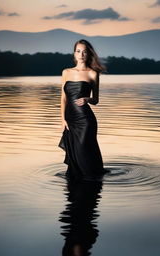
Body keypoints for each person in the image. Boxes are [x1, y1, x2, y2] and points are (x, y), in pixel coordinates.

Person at [58, 39, 107, 181]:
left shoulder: (93, 74)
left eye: (84, 51)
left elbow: (96, 100)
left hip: (85, 121)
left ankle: (92, 180)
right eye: (78, 51)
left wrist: (87, 99)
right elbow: (63, 98)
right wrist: (63, 120)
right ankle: (79, 181)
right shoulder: (66, 72)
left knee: (84, 151)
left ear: (88, 54)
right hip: (70, 120)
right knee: (75, 153)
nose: (81, 54)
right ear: (74, 53)